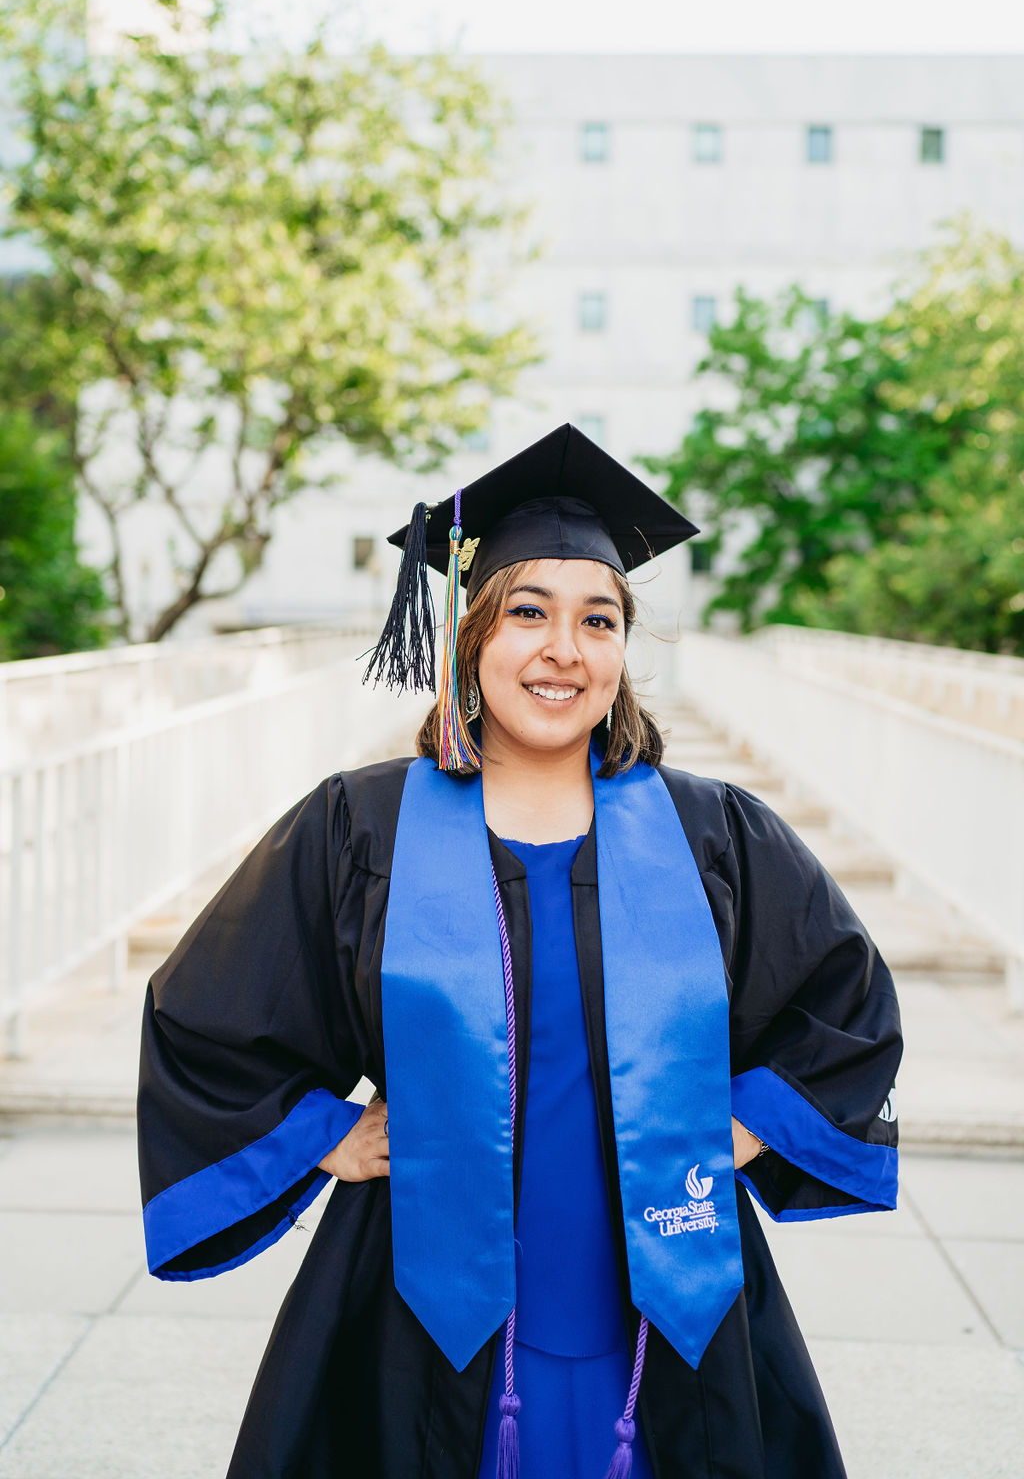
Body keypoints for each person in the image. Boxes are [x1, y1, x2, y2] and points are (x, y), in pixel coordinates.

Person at [137, 423, 902, 1479]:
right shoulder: (361, 829)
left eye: (599, 620)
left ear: (623, 651)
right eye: (527, 613)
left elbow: (845, 1004)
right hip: (422, 1294)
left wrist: (745, 1127)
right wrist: (323, 1134)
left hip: (667, 1282)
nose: (564, 650)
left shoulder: (710, 832)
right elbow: (210, 1006)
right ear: (470, 639)